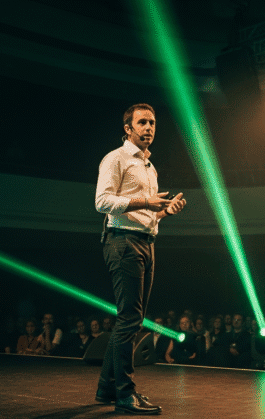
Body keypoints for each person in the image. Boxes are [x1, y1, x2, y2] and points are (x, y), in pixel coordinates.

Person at [94, 103, 186, 415]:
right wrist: (145, 200)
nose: (148, 128)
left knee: (132, 320)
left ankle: (107, 389)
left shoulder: (151, 168)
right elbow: (102, 201)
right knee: (130, 319)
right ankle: (125, 394)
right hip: (121, 241)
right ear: (128, 129)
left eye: (152, 123)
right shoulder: (115, 158)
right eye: (142, 122)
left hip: (146, 241)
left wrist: (163, 211)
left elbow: (148, 215)